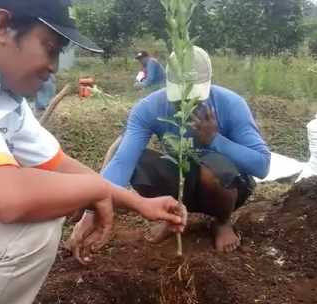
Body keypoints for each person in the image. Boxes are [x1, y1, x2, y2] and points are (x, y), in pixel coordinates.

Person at [0, 1, 186, 304]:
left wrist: (139, 203)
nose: (52, 67)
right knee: (29, 230)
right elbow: (4, 198)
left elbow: (60, 165)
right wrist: (94, 190)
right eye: (50, 48)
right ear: (3, 25)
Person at [100, 46, 271, 253]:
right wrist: (92, 209)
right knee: (139, 163)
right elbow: (122, 162)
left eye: (195, 97)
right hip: (183, 181)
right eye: (180, 97)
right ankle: (170, 215)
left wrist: (215, 140)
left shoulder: (231, 104)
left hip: (225, 187)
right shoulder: (149, 108)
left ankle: (222, 221)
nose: (186, 104)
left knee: (214, 167)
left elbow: (262, 165)